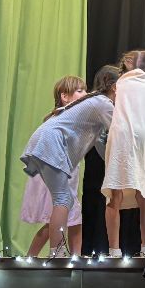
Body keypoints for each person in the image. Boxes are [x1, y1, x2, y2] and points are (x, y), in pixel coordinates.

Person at [19, 69, 117, 256]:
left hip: (45, 144)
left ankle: (60, 252)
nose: (84, 93)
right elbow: (120, 131)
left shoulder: (90, 107)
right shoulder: (102, 103)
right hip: (50, 145)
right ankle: (57, 252)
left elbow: (102, 146)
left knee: (66, 201)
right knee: (63, 199)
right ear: (115, 87)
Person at [102, 50, 145, 259]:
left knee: (115, 192)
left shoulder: (121, 83)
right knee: (144, 193)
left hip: (119, 135)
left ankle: (114, 250)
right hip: (143, 137)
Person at [21, 76, 88, 257]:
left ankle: (73, 258)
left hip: (65, 173)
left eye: (85, 90)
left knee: (74, 220)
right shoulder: (63, 118)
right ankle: (39, 255)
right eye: (80, 91)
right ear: (64, 96)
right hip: (57, 174)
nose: (85, 93)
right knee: (61, 218)